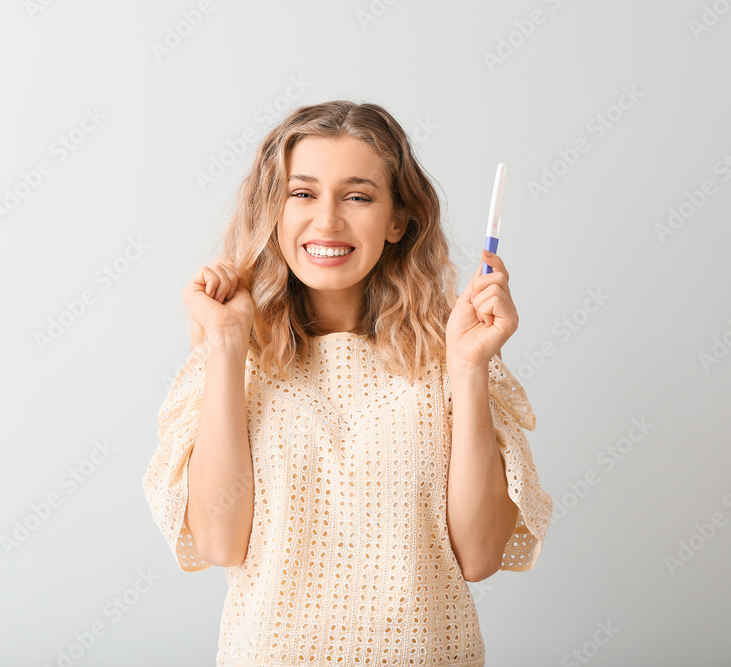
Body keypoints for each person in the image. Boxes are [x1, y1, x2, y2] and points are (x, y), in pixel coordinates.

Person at [143, 100, 553, 666]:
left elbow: (479, 555)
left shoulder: (454, 357)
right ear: (274, 211)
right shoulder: (235, 358)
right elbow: (217, 541)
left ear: (397, 220)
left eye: (357, 196)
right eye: (302, 193)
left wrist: (468, 368)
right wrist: (227, 346)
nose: (328, 220)